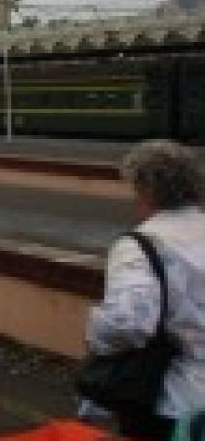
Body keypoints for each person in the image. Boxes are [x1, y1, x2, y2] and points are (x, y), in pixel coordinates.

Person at [87, 140, 205, 440]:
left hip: (172, 399)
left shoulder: (142, 245)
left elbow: (127, 323)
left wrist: (95, 336)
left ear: (145, 190)